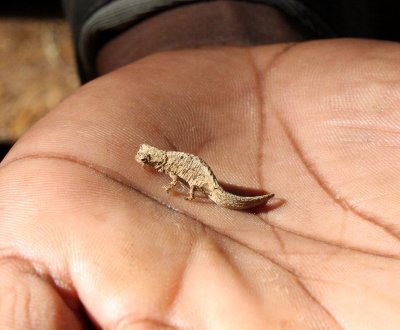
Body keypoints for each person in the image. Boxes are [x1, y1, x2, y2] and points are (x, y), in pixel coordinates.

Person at [1, 1, 400, 328]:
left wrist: (188, 189)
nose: (144, 163)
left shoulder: (170, 164)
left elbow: (191, 179)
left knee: (219, 195)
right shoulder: (165, 160)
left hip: (203, 176)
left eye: (146, 160)